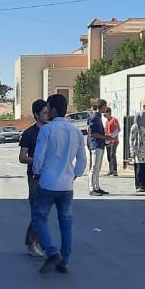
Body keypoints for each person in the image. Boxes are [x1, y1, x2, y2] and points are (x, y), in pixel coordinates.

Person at [31, 93, 86, 274]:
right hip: (66, 185)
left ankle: (51, 251)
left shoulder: (47, 130)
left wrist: (37, 172)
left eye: (48, 108)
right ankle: (65, 260)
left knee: (39, 218)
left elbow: (39, 156)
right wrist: (75, 175)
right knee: (66, 222)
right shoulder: (76, 131)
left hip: (48, 183)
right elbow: (82, 160)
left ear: (53, 109)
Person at [19, 99, 48, 257]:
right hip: (35, 177)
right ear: (36, 115)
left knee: (44, 212)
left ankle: (36, 240)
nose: (47, 115)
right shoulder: (29, 133)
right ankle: (34, 242)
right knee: (37, 211)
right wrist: (37, 161)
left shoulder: (51, 130)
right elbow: (22, 157)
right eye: (44, 113)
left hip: (49, 176)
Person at [129, 106, 145, 192]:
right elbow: (131, 139)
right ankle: (140, 186)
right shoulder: (135, 127)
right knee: (140, 169)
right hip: (139, 151)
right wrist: (132, 151)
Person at [86, 100, 108, 196]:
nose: (106, 108)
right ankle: (92, 188)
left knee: (98, 168)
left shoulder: (99, 117)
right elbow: (93, 133)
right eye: (105, 106)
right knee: (94, 167)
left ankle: (97, 187)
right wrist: (105, 137)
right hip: (96, 144)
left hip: (100, 144)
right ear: (101, 107)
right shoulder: (94, 117)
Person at [104, 108, 120, 176]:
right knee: (109, 156)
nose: (104, 115)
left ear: (109, 113)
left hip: (114, 140)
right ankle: (110, 170)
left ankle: (114, 170)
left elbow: (118, 129)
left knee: (112, 154)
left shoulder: (114, 120)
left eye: (105, 113)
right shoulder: (106, 122)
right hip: (108, 141)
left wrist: (112, 135)